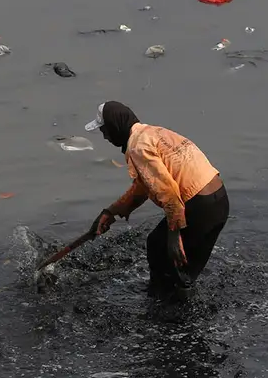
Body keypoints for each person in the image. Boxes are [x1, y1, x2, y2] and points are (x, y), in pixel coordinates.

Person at [86, 100, 229, 301]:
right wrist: (111, 211)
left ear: (115, 126)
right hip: (219, 202)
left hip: (199, 206)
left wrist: (173, 236)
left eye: (105, 130)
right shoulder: (153, 133)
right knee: (183, 272)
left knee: (159, 248)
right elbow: (145, 186)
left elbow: (169, 194)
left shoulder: (138, 147)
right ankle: (182, 313)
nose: (105, 136)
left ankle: (161, 310)